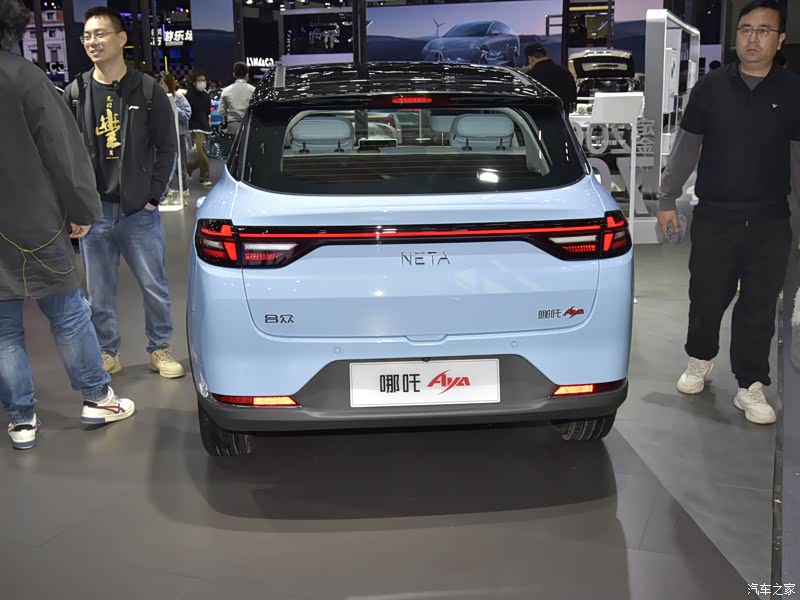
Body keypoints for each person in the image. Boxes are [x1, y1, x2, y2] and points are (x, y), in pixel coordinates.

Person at [657, 0, 800, 425]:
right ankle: (700, 358)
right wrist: (666, 200)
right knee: (706, 296)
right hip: (716, 216)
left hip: (771, 220)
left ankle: (750, 383)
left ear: (780, 40)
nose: (752, 38)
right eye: (745, 30)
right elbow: (686, 148)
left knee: (759, 305)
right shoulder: (711, 88)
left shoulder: (793, 92)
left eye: (763, 31)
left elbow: (798, 161)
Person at [0, 0, 134, 449]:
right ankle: (97, 398)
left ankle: (21, 421)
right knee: (68, 312)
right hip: (35, 222)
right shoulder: (24, 77)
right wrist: (82, 210)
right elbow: (62, 151)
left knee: (3, 329)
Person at [64, 6, 184, 379]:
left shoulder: (147, 89)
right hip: (95, 211)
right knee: (98, 292)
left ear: (121, 39)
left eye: (100, 34)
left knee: (154, 287)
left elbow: (167, 147)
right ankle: (107, 352)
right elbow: (66, 152)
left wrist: (153, 195)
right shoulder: (77, 91)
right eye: (87, 36)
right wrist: (74, 205)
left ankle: (160, 349)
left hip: (138, 212)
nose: (92, 42)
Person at [156, 71, 192, 204]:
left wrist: (174, 108)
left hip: (178, 134)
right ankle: (166, 193)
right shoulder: (156, 98)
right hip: (162, 135)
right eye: (160, 84)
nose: (162, 86)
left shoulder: (179, 98)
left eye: (164, 84)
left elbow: (187, 114)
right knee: (164, 164)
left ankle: (184, 192)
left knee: (180, 165)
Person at [520, 43, 577, 115]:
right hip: (561, 119)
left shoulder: (530, 76)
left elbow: (526, 101)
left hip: (539, 119)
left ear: (531, 59)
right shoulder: (564, 71)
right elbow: (573, 97)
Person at [185, 70, 213, 187]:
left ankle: (189, 168)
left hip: (206, 128)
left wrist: (209, 125)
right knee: (203, 154)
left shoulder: (207, 96)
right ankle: (204, 178)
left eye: (204, 80)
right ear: (194, 82)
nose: (202, 83)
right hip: (195, 128)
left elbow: (207, 113)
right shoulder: (189, 96)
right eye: (200, 80)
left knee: (204, 155)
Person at [219, 61, 254, 135]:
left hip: (232, 125)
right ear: (247, 75)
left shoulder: (226, 91)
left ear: (234, 74)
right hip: (249, 124)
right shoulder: (253, 90)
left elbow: (221, 111)